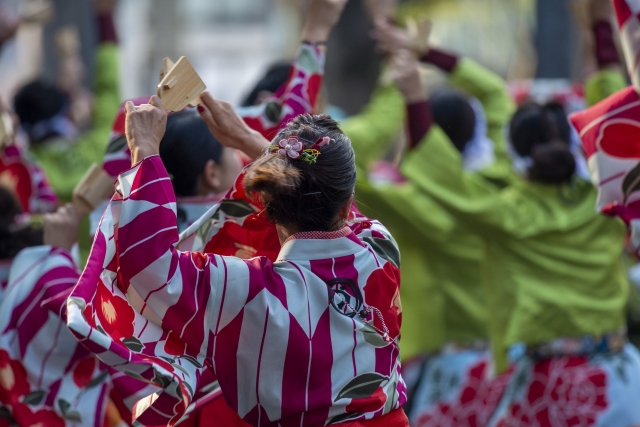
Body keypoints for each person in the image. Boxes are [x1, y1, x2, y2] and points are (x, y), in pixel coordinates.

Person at [390, 35, 640, 426]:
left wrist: (412, 93)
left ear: (519, 155)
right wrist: (603, 28)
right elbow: (616, 104)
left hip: (546, 387)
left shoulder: (505, 212)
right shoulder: (604, 196)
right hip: (620, 376)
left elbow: (441, 173)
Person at [12, 0, 120, 201]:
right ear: (68, 117)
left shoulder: (22, 177)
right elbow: (108, 87)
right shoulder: (100, 152)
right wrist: (105, 16)